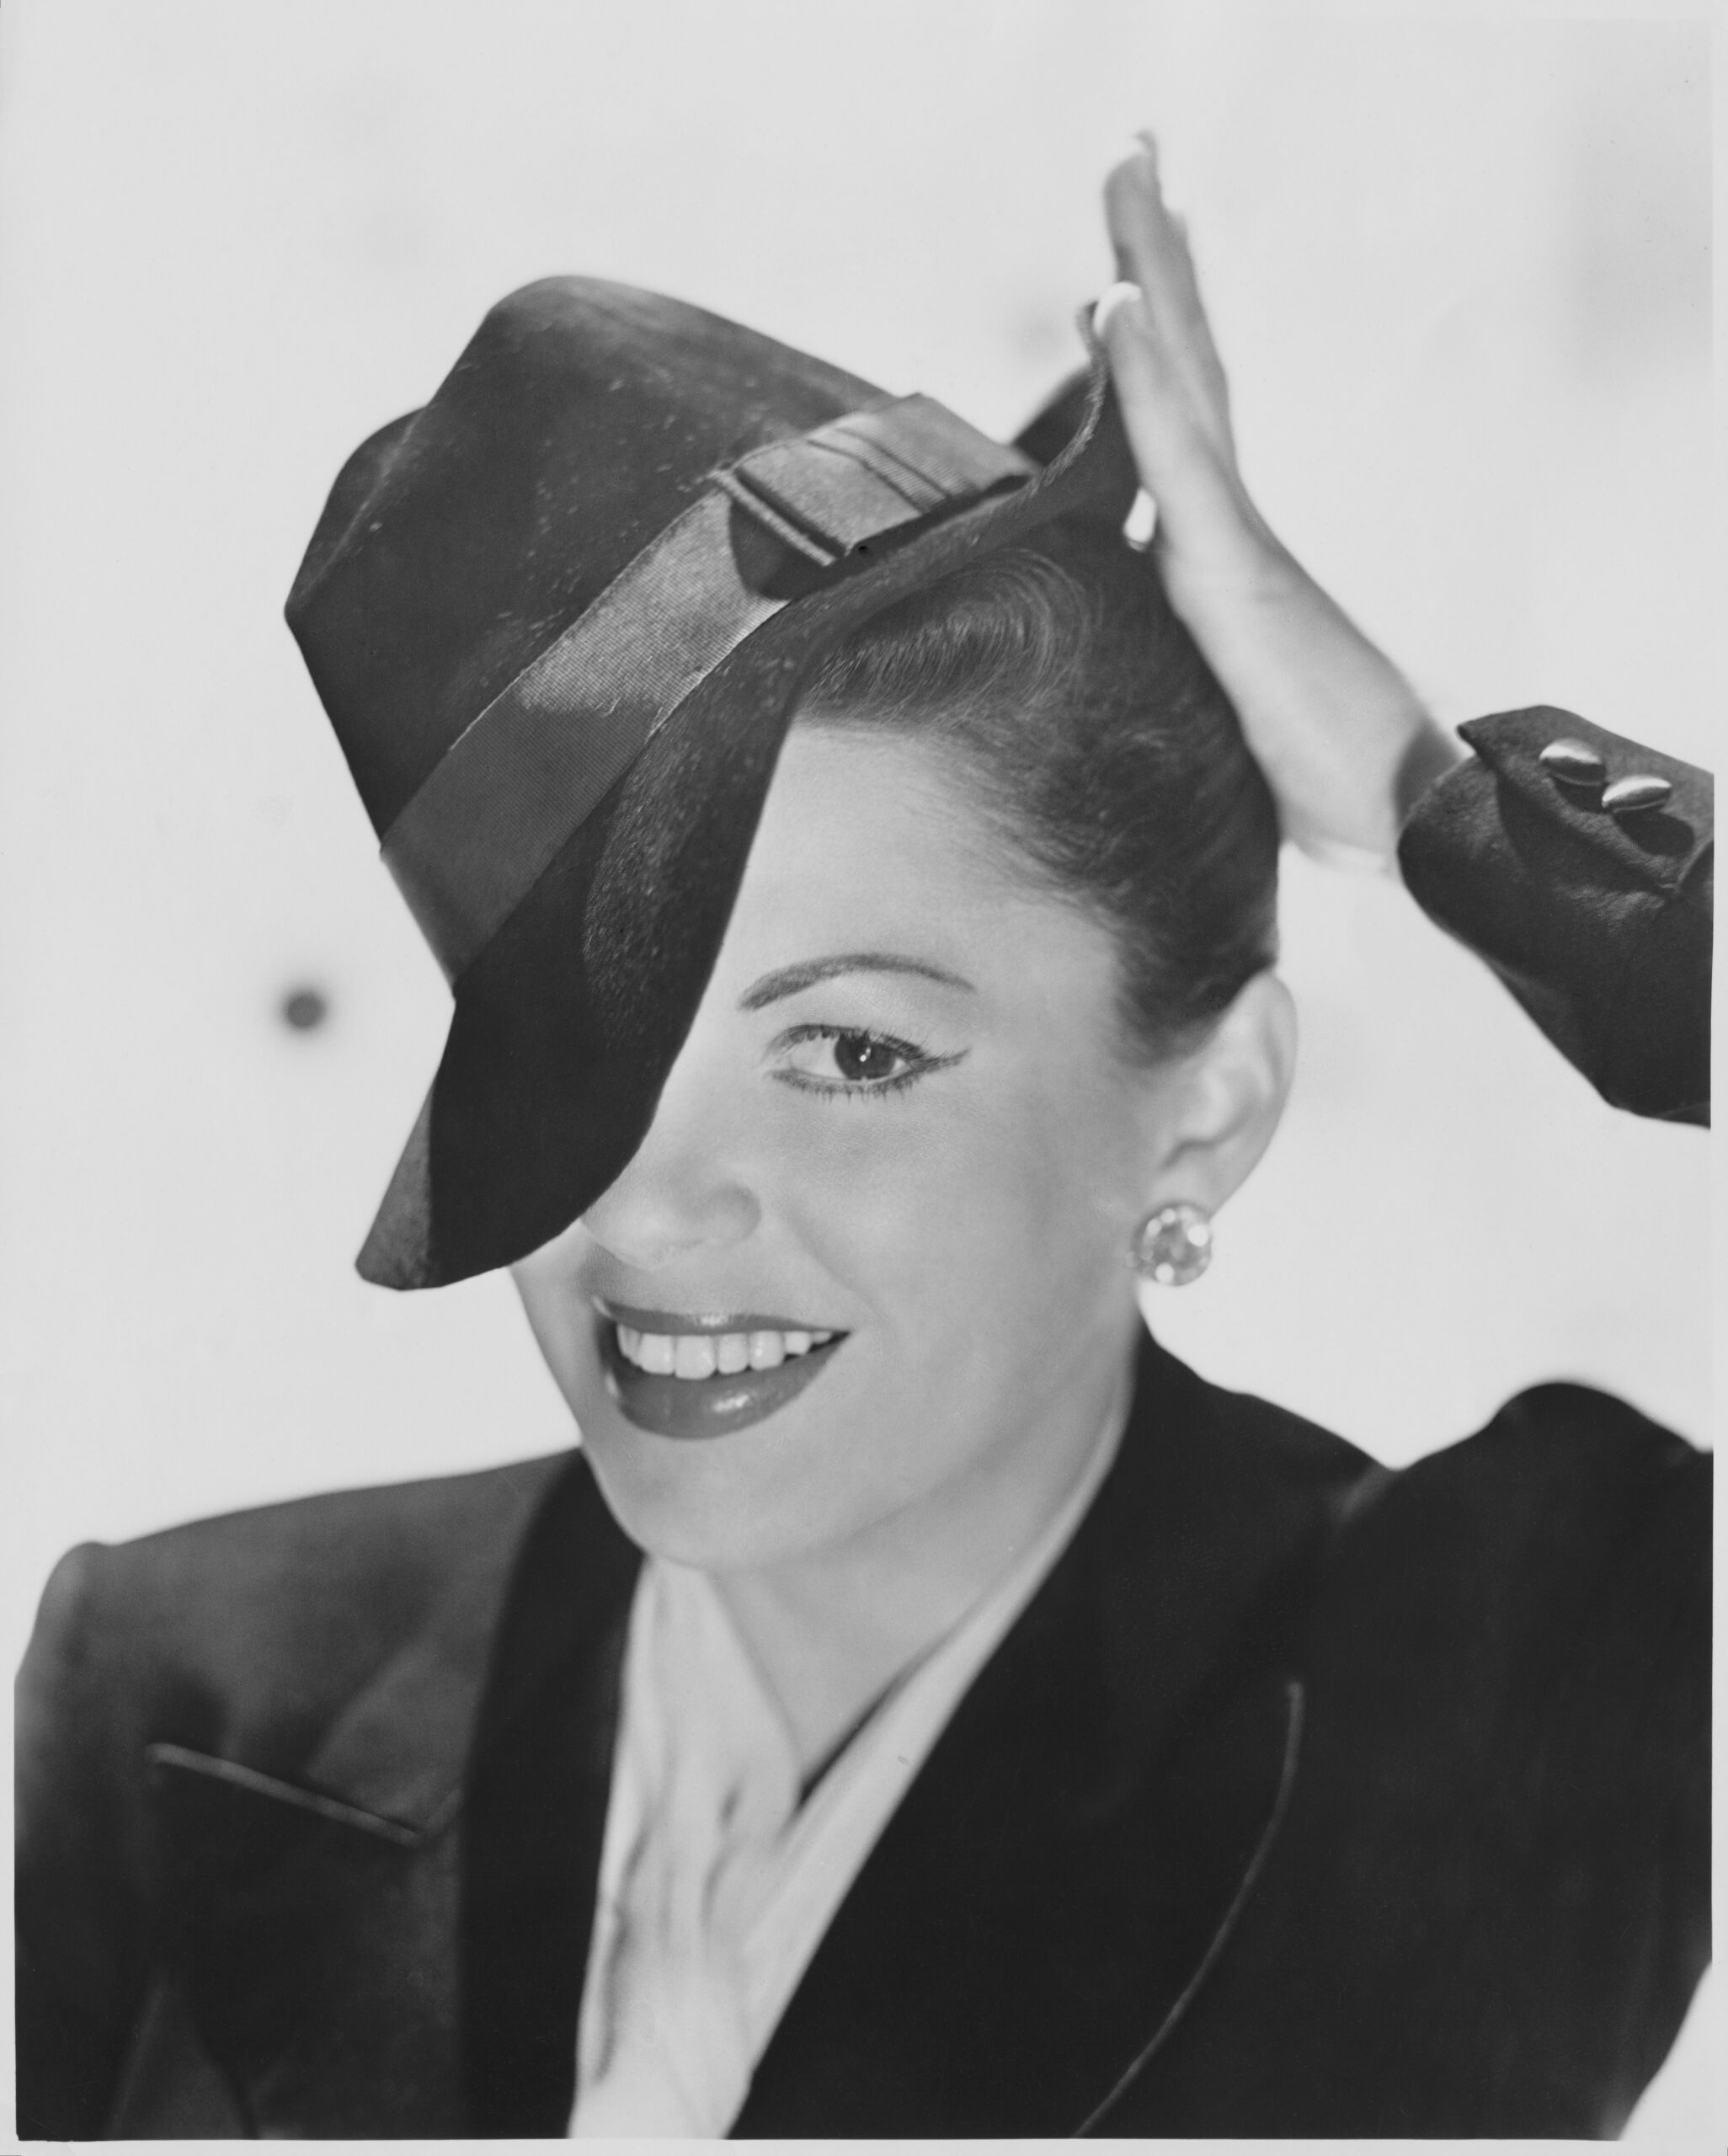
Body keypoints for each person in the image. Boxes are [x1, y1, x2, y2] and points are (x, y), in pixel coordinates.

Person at [16, 146, 1709, 2138]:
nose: (639, 1195)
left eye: (846, 1047)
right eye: (581, 1039)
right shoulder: (183, 1682)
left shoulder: (1515, 1688)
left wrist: (1445, 801)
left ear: (1214, 1100)